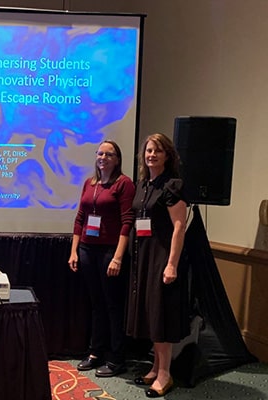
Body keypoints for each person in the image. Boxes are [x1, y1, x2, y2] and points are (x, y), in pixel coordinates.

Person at [127, 133, 189, 398]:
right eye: (149, 151)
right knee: (151, 314)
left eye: (158, 151)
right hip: (143, 256)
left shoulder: (172, 185)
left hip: (162, 258)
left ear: (167, 156)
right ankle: (155, 368)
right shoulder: (142, 184)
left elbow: (179, 226)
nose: (151, 155)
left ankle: (165, 375)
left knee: (161, 316)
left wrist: (172, 264)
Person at [69, 140, 135, 378]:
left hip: (110, 251)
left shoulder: (124, 184)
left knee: (113, 306)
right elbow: (80, 218)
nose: (103, 157)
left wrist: (117, 258)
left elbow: (127, 222)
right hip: (87, 249)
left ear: (117, 159)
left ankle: (116, 358)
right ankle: (95, 352)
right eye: (100, 153)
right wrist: (74, 251)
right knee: (97, 305)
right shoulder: (90, 183)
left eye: (109, 154)